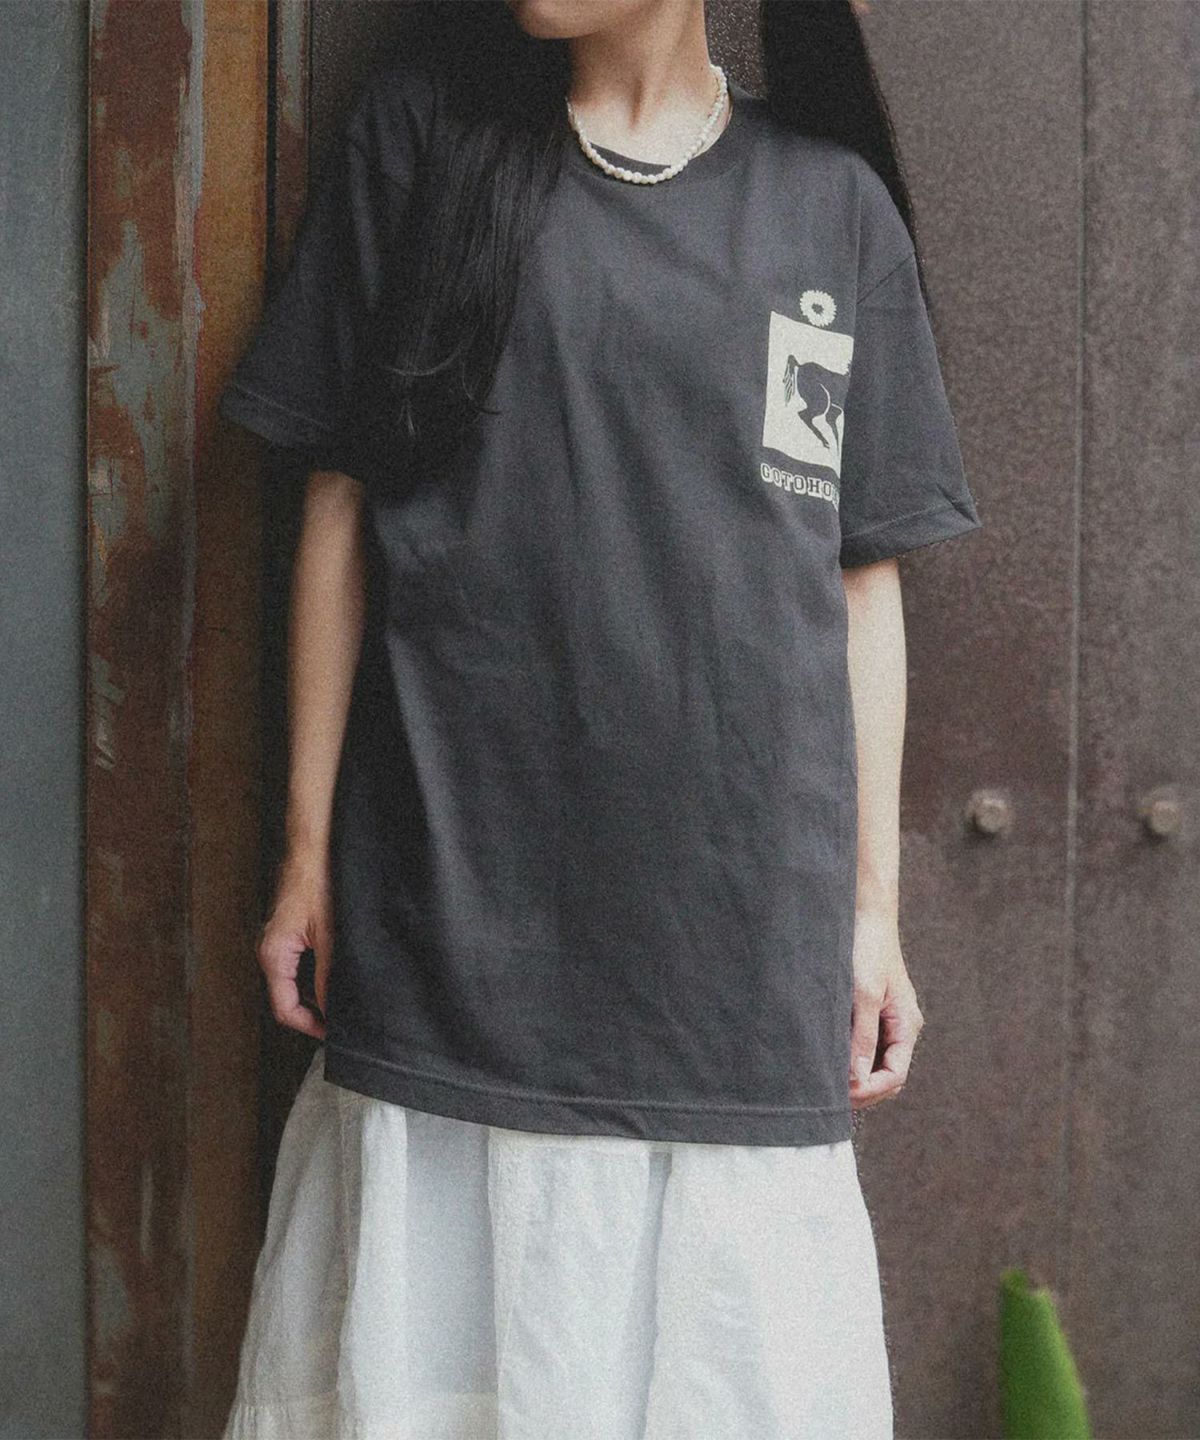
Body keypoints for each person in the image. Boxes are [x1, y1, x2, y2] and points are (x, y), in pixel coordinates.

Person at [217, 1, 983, 1435]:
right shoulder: (427, 151)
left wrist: (871, 913)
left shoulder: (827, 207)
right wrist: (309, 854)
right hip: (454, 906)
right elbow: (340, 506)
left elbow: (857, 576)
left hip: (731, 943)